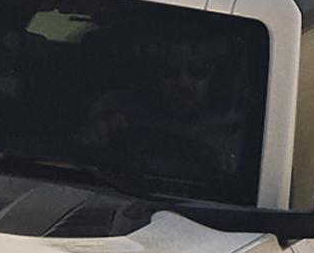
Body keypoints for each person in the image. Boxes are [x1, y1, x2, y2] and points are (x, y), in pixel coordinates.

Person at [84, 35, 248, 174]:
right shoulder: (120, 107)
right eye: (170, 70)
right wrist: (103, 129)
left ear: (215, 76)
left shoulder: (239, 122)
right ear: (153, 72)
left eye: (198, 71)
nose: (183, 83)